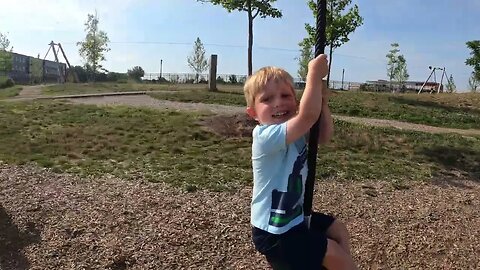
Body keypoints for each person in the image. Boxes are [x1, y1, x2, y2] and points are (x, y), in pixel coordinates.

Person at [244, 54, 357, 270]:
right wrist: (313, 75)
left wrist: (322, 101)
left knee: (338, 231)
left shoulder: (294, 133)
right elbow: (307, 116)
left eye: (286, 95)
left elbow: (322, 135)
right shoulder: (265, 136)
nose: (278, 103)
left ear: (296, 102)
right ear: (253, 113)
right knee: (335, 255)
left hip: (292, 217)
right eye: (267, 99)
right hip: (275, 230)